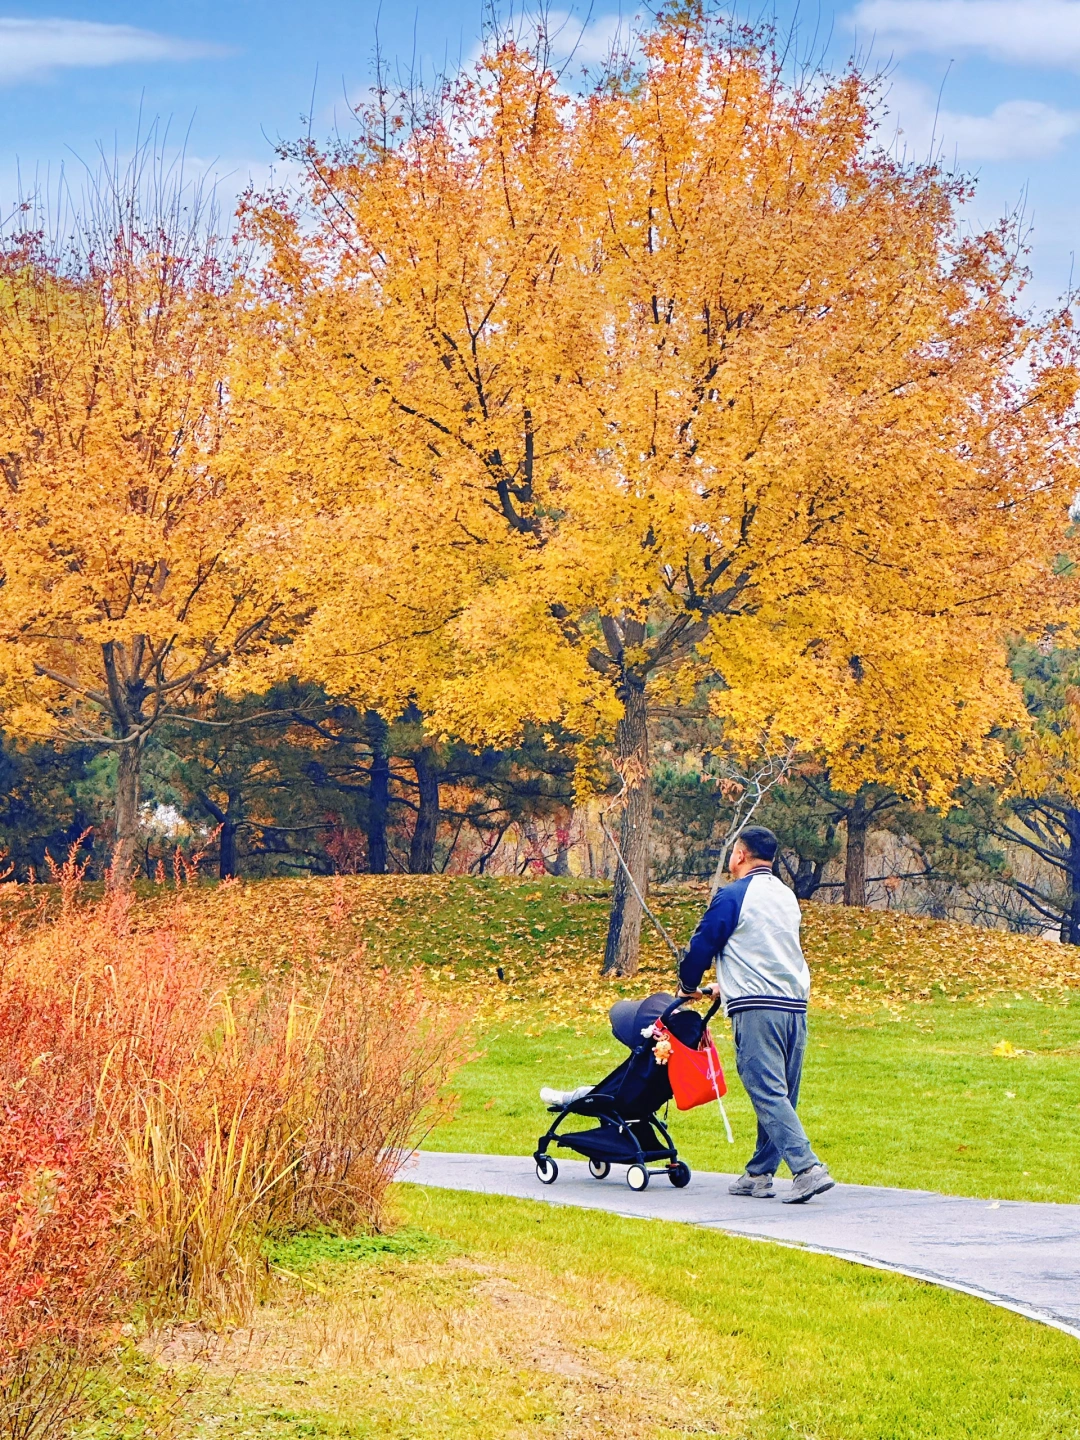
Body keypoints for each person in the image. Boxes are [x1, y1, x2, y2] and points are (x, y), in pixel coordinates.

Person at [678, 825, 834, 1204]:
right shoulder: (786, 897)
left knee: (765, 1090)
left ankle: (807, 1169)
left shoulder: (733, 895)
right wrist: (726, 985)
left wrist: (687, 984)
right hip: (794, 1005)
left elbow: (703, 944)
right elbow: (764, 951)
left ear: (740, 855)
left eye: (734, 852)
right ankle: (759, 1173)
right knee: (781, 1092)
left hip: (758, 1009)